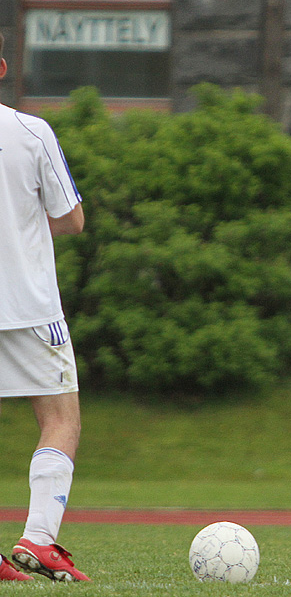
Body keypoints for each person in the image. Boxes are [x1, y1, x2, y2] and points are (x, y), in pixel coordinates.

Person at [0, 31, 90, 582]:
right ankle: (39, 540)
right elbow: (72, 219)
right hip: (28, 305)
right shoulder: (30, 132)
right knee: (60, 418)